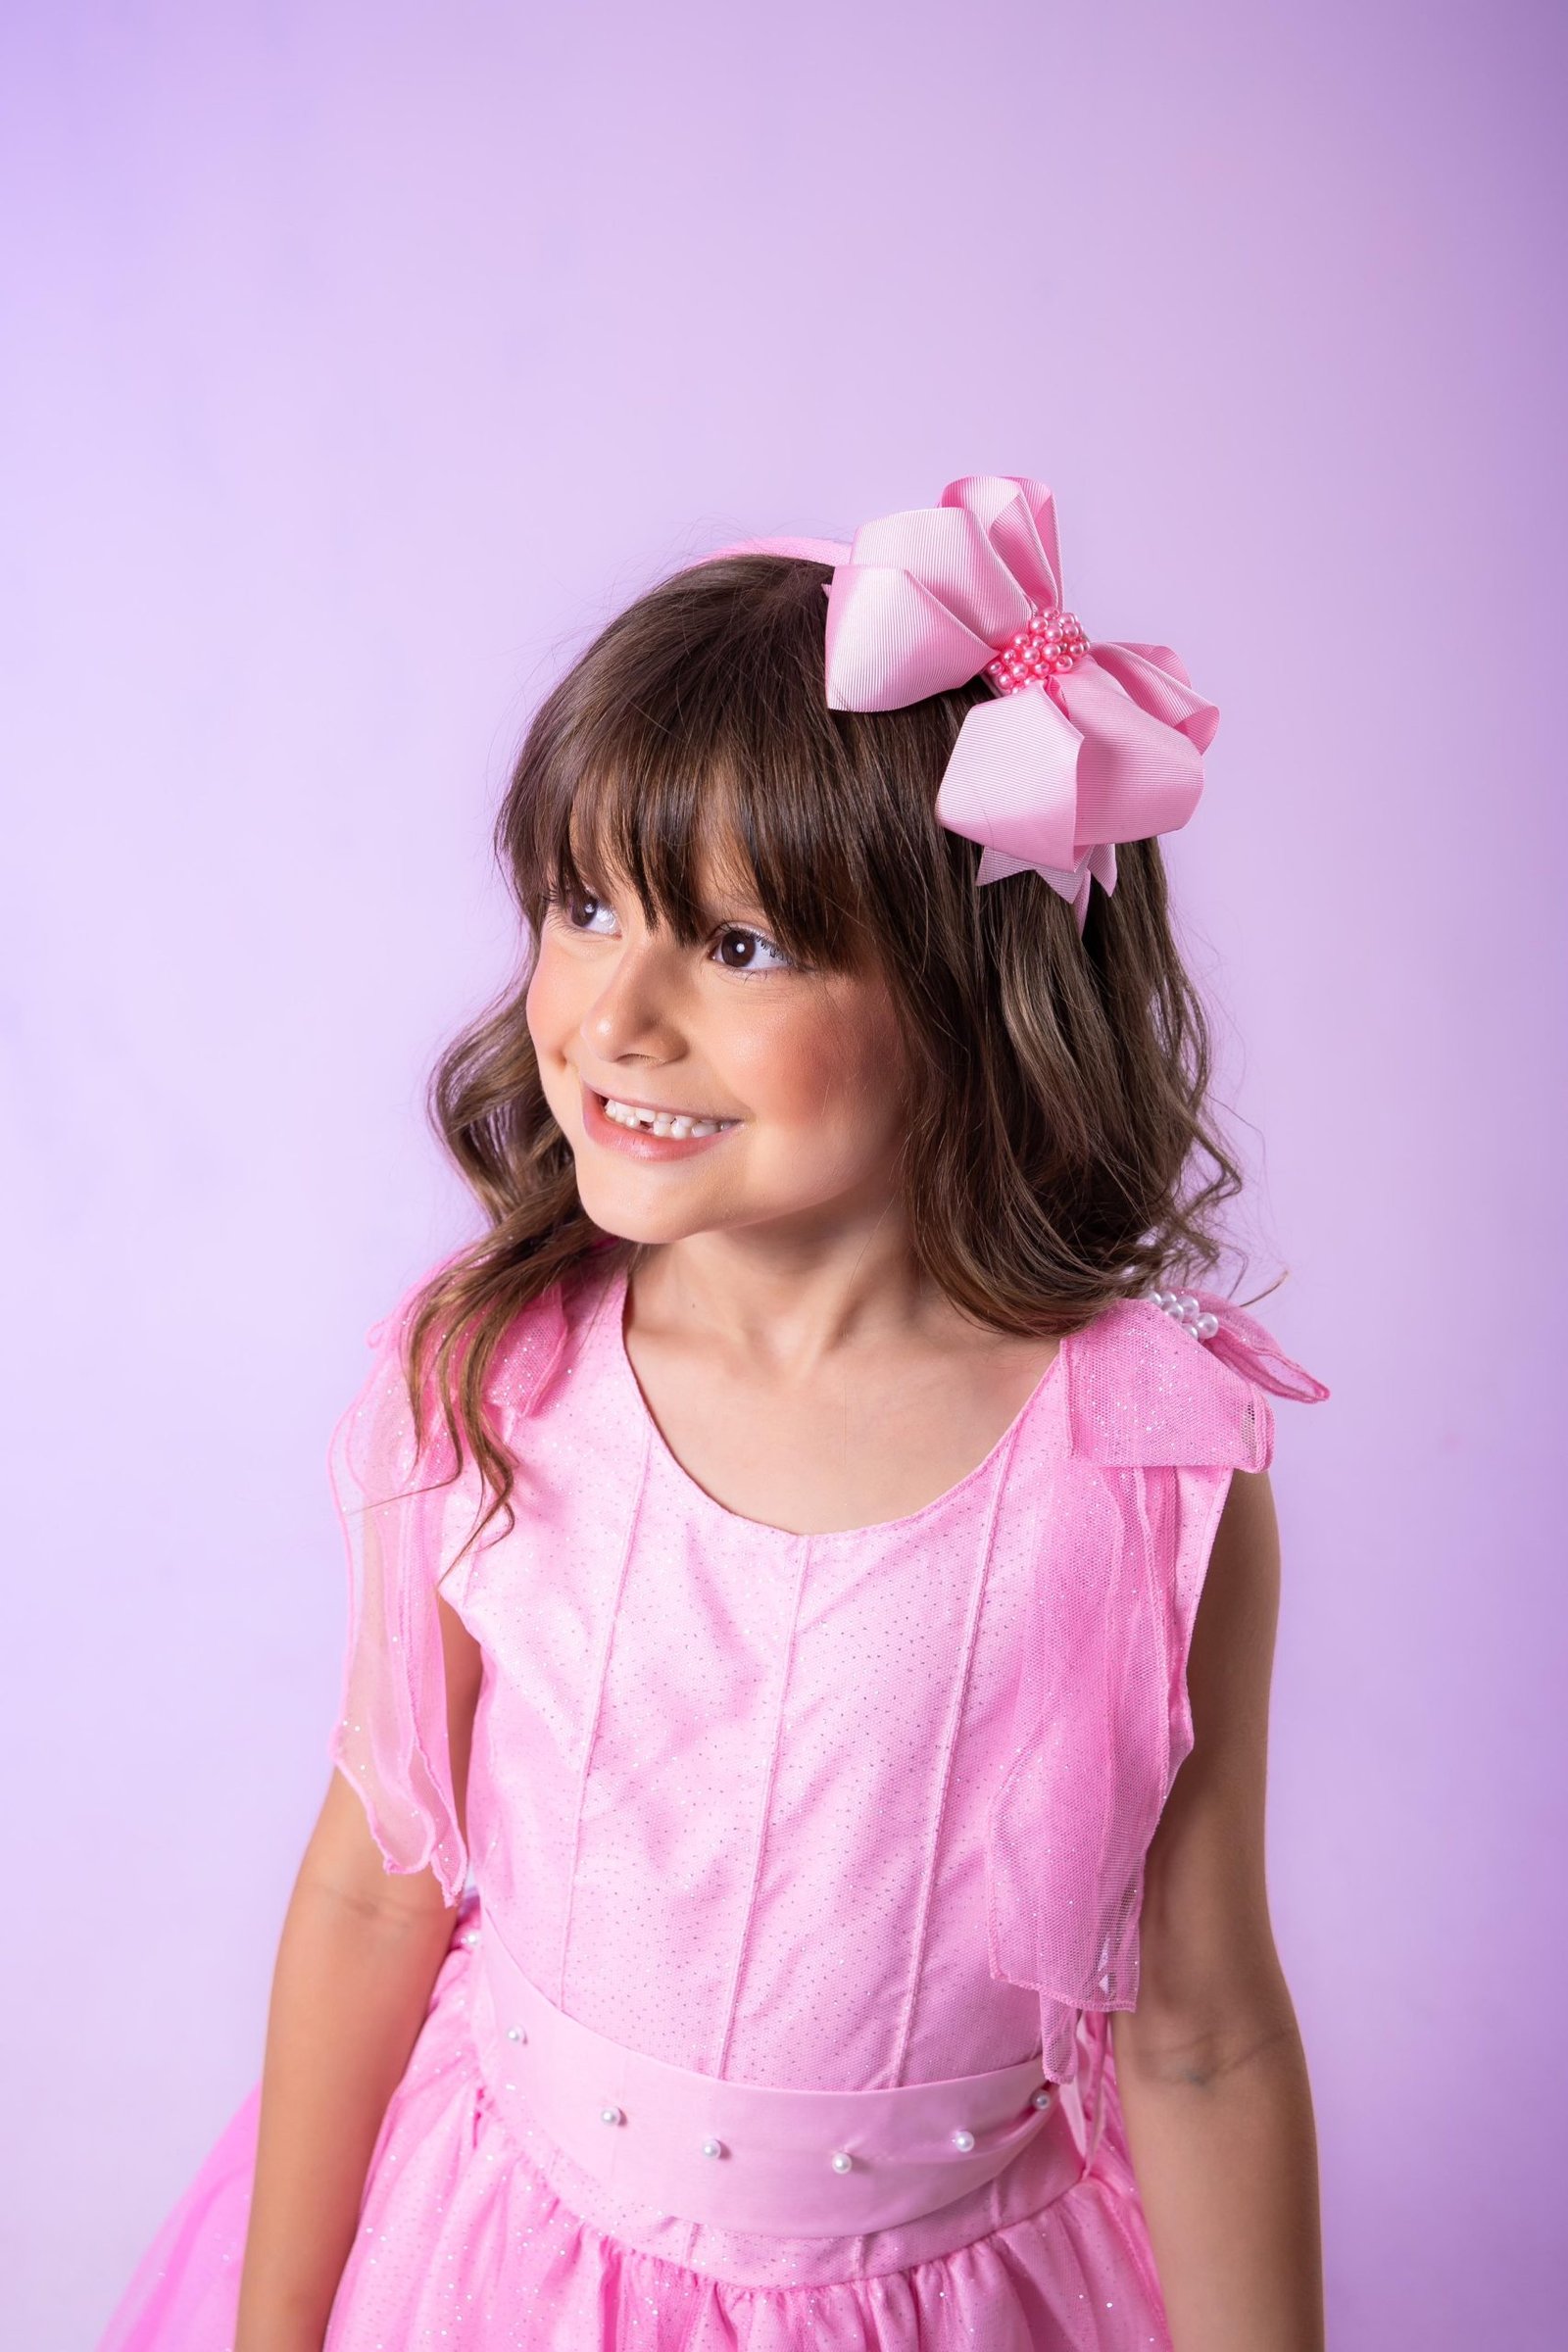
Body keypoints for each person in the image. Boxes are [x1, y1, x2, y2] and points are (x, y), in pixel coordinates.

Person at [98, 473, 1332, 2352]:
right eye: (585, 907)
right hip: (504, 2274)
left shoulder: (1143, 1470)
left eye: (740, 946)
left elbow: (1204, 2034)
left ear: (975, 989)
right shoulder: (491, 1382)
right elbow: (373, 1896)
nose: (614, 1017)